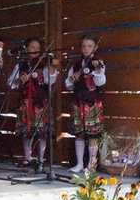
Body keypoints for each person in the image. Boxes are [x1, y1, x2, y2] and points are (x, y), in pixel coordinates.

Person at [8, 39, 59, 172]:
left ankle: (41, 160)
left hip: (40, 102)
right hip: (25, 102)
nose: (34, 50)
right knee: (26, 132)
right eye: (32, 47)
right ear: (27, 48)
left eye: (37, 47)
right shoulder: (21, 64)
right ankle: (28, 158)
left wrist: (51, 69)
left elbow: (50, 81)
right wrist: (20, 80)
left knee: (42, 133)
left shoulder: (45, 64)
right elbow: (11, 83)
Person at [65, 35, 106, 172]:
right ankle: (79, 164)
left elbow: (101, 82)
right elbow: (68, 85)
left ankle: (91, 165)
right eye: (84, 46)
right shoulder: (76, 65)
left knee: (93, 135)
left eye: (89, 46)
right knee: (79, 134)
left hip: (92, 103)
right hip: (78, 102)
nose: (86, 49)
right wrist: (72, 79)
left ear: (95, 48)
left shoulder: (97, 63)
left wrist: (98, 71)